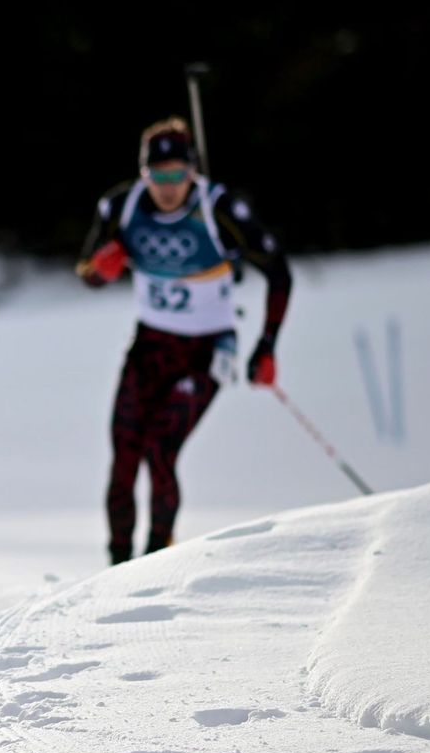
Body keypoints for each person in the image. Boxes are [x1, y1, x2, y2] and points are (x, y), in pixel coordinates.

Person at [74, 116, 292, 565]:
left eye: (177, 174)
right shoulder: (121, 207)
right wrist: (102, 270)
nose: (168, 187)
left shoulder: (219, 208)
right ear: (144, 174)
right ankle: (117, 567)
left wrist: (266, 345)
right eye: (158, 176)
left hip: (205, 351)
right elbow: (87, 272)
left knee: (160, 450)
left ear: (191, 171)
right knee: (123, 457)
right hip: (150, 347)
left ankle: (156, 562)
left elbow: (278, 271)